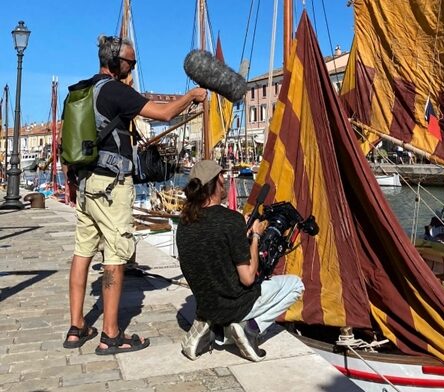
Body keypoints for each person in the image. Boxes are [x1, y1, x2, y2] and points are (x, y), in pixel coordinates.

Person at [64, 35, 207, 354]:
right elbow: (165, 114)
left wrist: (73, 182)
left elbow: (68, 144)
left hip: (87, 183)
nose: (132, 67)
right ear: (115, 62)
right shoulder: (116, 90)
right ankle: (111, 335)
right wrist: (191, 96)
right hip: (111, 187)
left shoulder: (80, 91)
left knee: (82, 252)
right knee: (115, 256)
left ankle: (77, 328)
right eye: (130, 62)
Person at [176, 160, 304, 362]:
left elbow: (212, 250)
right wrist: (255, 236)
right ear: (216, 181)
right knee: (296, 284)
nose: (225, 180)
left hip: (206, 306)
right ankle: (249, 328)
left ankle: (209, 327)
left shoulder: (184, 223)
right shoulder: (229, 219)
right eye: (222, 176)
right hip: (233, 305)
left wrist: (239, 231)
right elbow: (247, 278)